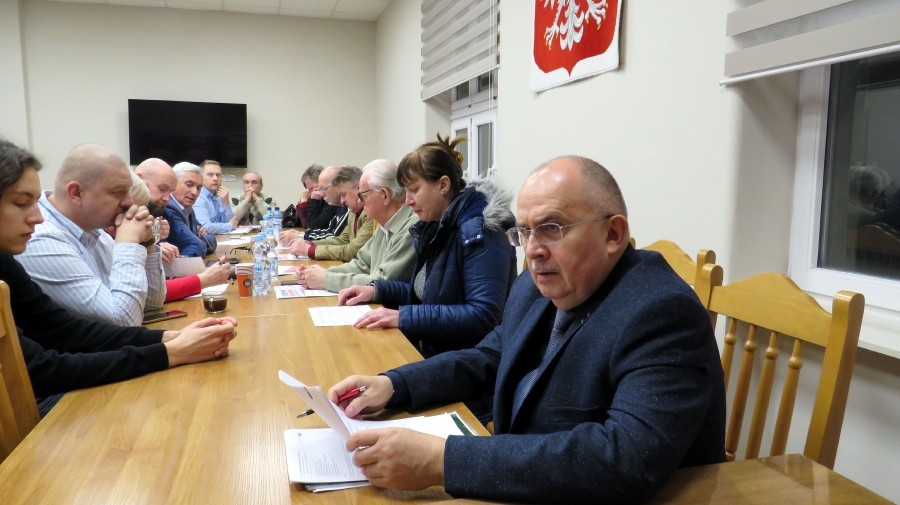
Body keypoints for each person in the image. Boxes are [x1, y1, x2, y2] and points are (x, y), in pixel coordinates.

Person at [327, 156, 727, 505]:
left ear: (613, 234)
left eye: (552, 227)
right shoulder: (538, 284)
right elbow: (490, 356)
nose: (533, 249)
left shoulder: (662, 311)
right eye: (525, 231)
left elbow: (624, 459)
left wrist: (440, 461)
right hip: (532, 480)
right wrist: (394, 384)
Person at [0, 139, 238, 417]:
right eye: (21, 203)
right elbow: (43, 368)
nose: (38, 217)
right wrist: (172, 352)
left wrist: (171, 337)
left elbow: (67, 331)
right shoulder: (41, 241)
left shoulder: (8, 259)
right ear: (76, 193)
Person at [338, 134, 517, 359]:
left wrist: (403, 317)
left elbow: (483, 315)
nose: (408, 200)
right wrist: (377, 290)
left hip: (468, 362)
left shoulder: (480, 232)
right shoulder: (438, 226)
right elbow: (428, 295)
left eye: (414, 190)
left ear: (443, 185)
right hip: (438, 351)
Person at [15, 144, 166, 326]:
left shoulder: (94, 229)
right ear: (76, 193)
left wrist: (146, 243)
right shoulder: (41, 239)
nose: (128, 202)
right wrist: (129, 243)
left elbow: (152, 303)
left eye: (128, 191)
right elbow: (123, 321)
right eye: (117, 192)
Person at [296, 159, 418, 292]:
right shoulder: (385, 223)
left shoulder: (412, 227)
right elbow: (362, 264)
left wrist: (326, 279)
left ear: (385, 195)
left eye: (363, 195)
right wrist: (324, 273)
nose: (360, 201)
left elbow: (383, 281)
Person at [127, 172, 231, 302]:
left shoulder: (180, 210)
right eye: (162, 189)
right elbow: (150, 295)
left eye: (199, 188)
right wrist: (199, 277)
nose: (167, 198)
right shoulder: (167, 208)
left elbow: (205, 239)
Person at [288, 165, 374, 261]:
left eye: (344, 194)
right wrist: (310, 244)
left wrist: (311, 250)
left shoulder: (370, 214)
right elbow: (342, 240)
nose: (342, 201)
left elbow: (353, 252)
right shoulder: (353, 212)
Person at [280, 165, 349, 244]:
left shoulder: (341, 205)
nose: (322, 192)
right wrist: (303, 234)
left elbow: (317, 228)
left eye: (324, 188)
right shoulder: (339, 205)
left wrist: (301, 236)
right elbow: (329, 231)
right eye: (309, 189)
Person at [163, 162, 217, 257]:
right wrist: (198, 238)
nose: (194, 192)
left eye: (199, 188)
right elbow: (199, 246)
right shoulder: (168, 208)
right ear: (173, 183)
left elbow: (212, 238)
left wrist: (198, 237)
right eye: (189, 185)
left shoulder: (188, 209)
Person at [134, 157, 180, 264]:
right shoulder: (113, 216)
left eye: (170, 192)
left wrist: (154, 240)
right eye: (162, 189)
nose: (167, 199)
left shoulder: (158, 213)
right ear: (139, 179)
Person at [193, 160, 249, 234]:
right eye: (210, 175)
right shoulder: (198, 196)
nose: (215, 178)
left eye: (218, 175)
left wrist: (226, 203)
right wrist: (229, 226)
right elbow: (205, 227)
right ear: (200, 177)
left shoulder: (218, 195)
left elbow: (230, 221)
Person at [295, 164, 338, 229]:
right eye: (309, 189)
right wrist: (303, 203)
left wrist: (313, 201)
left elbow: (312, 226)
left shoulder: (332, 200)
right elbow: (301, 222)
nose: (312, 192)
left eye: (314, 187)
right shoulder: (316, 197)